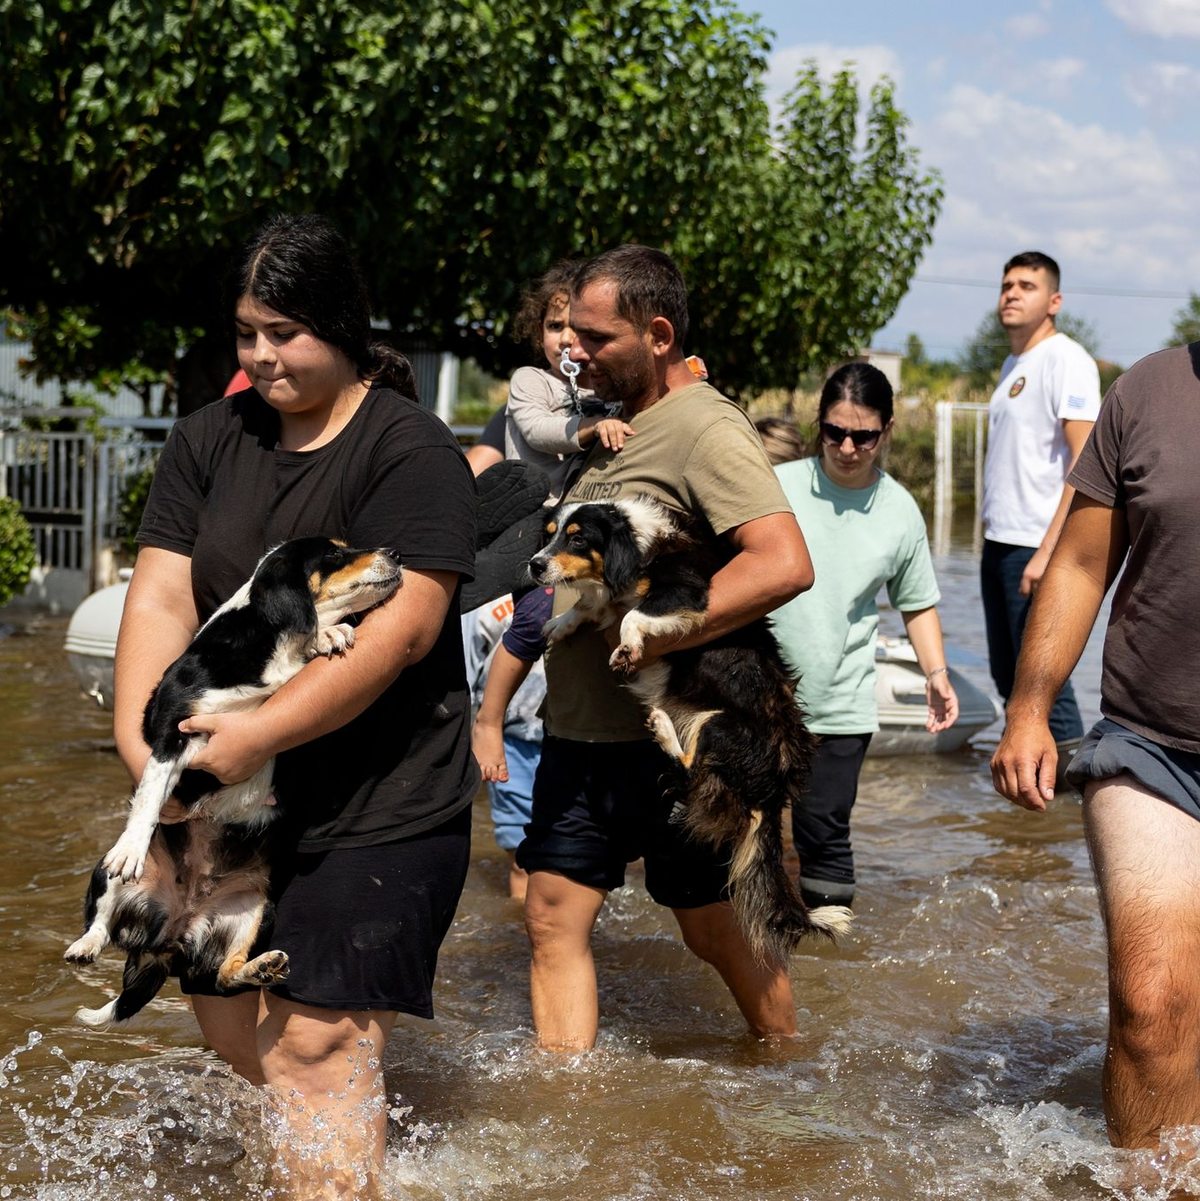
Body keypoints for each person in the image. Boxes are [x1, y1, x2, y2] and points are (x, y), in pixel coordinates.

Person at [115, 214, 478, 1198]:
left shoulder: (411, 449)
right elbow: (158, 600)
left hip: (380, 804)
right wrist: (148, 762)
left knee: (313, 1046)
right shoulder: (206, 440)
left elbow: (404, 629)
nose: (262, 355)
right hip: (225, 800)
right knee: (236, 1027)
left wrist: (260, 733)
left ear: (343, 327)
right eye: (247, 333)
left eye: (285, 332)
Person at [516, 245, 815, 1049]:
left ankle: (786, 1069)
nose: (574, 350)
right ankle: (565, 1106)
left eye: (596, 337)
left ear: (657, 334)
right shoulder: (613, 422)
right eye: (570, 332)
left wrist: (656, 636)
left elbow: (783, 563)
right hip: (580, 733)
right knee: (550, 916)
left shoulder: (705, 426)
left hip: (670, 744)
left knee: (713, 927)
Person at [992, 341, 1200, 1158]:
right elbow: (1080, 563)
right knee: (1151, 1006)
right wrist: (1028, 708)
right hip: (1156, 745)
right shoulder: (1147, 391)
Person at [770, 363, 960, 911]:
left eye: (864, 436)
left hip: (840, 702)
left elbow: (916, 603)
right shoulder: (778, 487)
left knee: (824, 836)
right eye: (834, 432)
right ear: (819, 424)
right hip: (759, 696)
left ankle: (830, 953)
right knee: (740, 831)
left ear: (887, 430)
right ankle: (750, 944)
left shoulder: (899, 511)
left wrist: (937, 674)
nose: (848, 448)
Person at [980, 250, 1101, 748]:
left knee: (1043, 687)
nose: (1011, 293)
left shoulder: (1065, 359)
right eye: (1007, 285)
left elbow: (1086, 462)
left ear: (1054, 301)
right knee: (1008, 678)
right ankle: (1031, 789)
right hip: (998, 542)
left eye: (1026, 286)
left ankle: (1075, 790)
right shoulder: (1014, 363)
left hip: (1035, 546)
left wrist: (1048, 552)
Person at [506, 259, 634, 505]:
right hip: (534, 510)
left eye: (577, 328)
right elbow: (537, 430)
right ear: (540, 331)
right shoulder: (530, 379)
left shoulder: (612, 387)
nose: (566, 339)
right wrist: (595, 426)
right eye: (555, 326)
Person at [463, 584, 554, 902]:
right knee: (521, 855)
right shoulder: (486, 599)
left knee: (578, 850)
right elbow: (464, 670)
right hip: (510, 742)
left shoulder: (585, 586)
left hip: (574, 737)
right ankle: (522, 920)